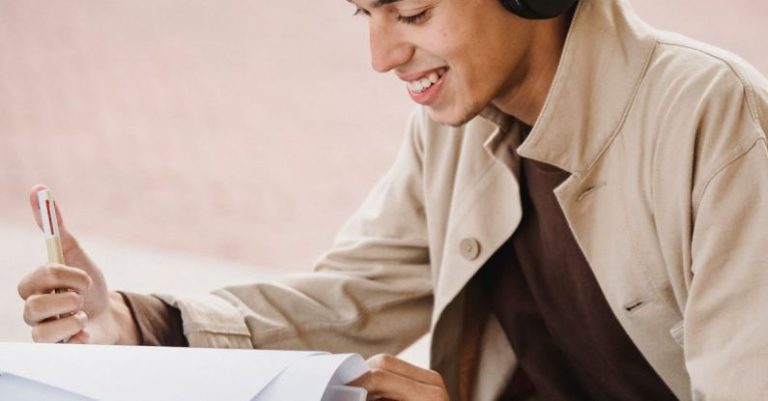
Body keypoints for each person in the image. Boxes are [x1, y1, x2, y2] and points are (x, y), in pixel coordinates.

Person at [16, 0, 768, 399]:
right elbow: (347, 298)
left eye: (410, 14)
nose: (381, 58)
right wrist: (131, 322)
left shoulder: (713, 116)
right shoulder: (451, 127)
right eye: (364, 14)